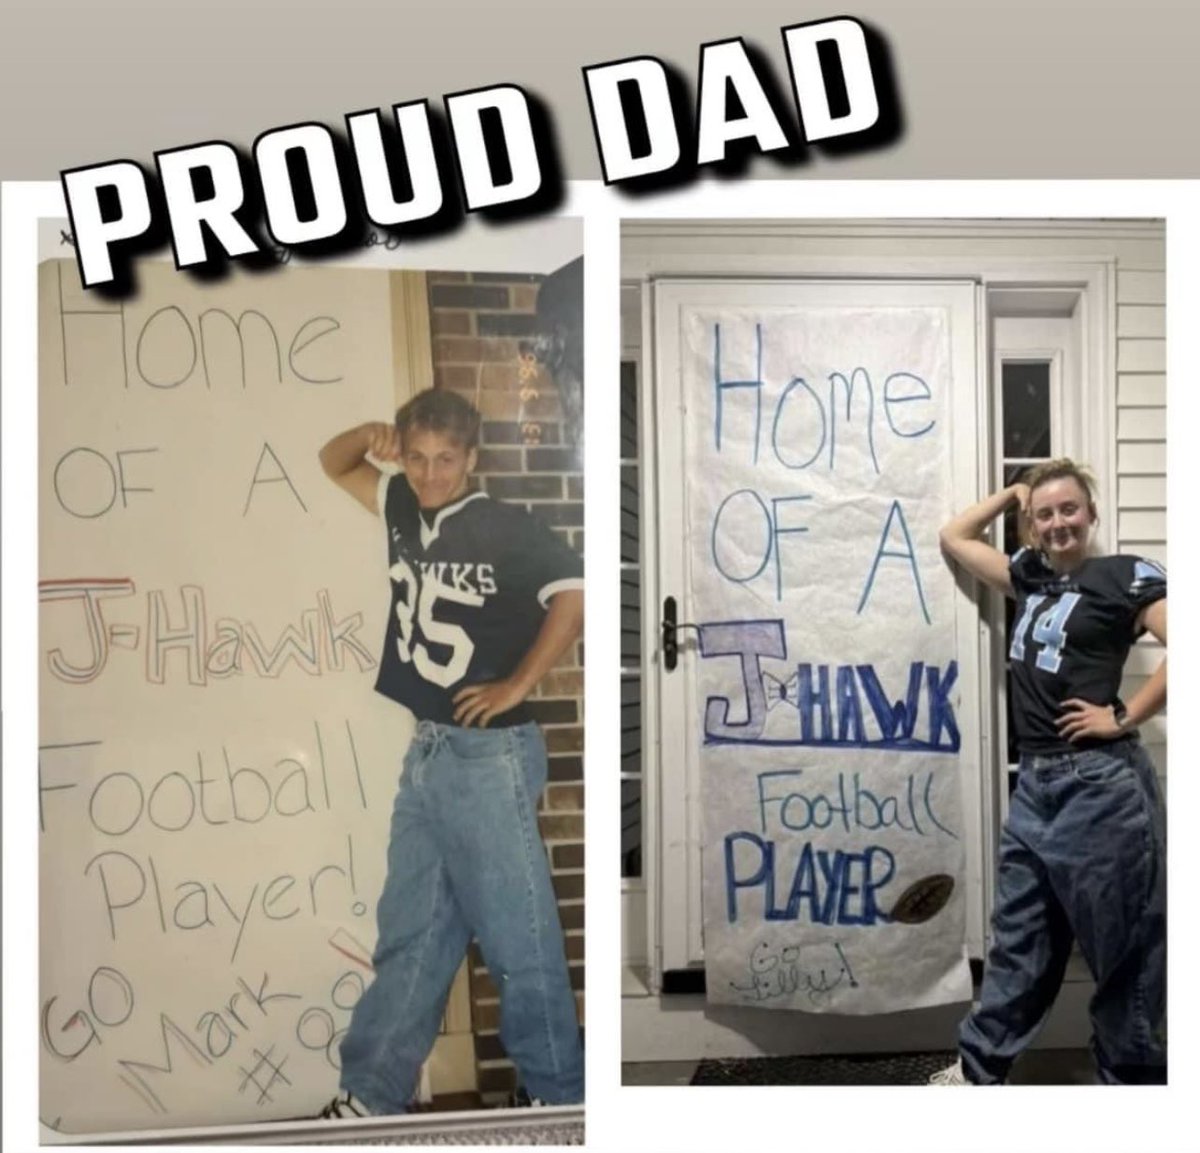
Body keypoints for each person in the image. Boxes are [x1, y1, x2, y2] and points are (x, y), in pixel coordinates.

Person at [316, 388, 585, 1116]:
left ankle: (560, 1102)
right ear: (402, 454)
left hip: (490, 756)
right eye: (417, 458)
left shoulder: (503, 524)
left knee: (518, 939)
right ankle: (372, 1093)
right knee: (411, 934)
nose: (431, 474)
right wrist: (364, 434)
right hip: (429, 752)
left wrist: (517, 683)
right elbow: (332, 462)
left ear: (472, 458)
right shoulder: (400, 504)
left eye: (445, 460)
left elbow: (574, 593)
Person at [930, 459, 1166, 1086]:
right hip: (1035, 786)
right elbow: (954, 538)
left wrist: (1121, 716)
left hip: (1101, 787)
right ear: (1032, 527)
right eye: (1045, 514)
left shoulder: (1124, 575)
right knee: (1019, 937)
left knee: (1126, 950)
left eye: (1069, 509)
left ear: (1091, 513)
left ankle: (1132, 1084)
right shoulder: (1029, 578)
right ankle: (980, 1073)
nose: (1059, 522)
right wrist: (1014, 492)